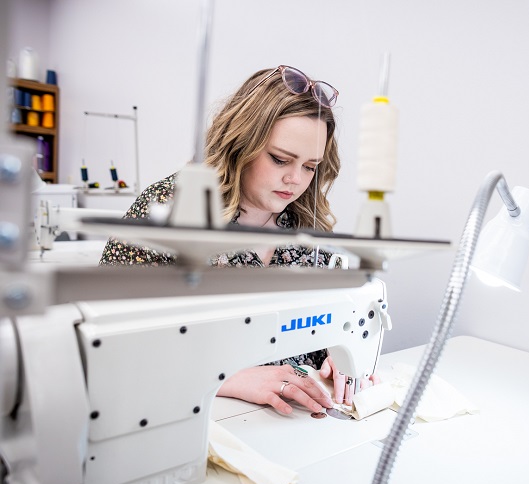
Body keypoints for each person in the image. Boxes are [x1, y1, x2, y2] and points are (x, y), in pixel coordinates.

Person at [99, 65, 377, 415]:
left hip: (285, 420)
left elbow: (314, 329)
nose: (295, 180)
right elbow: (110, 340)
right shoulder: (170, 211)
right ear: (241, 144)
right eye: (280, 159)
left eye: (310, 166)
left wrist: (334, 357)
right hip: (187, 413)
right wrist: (228, 378)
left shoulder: (305, 228)